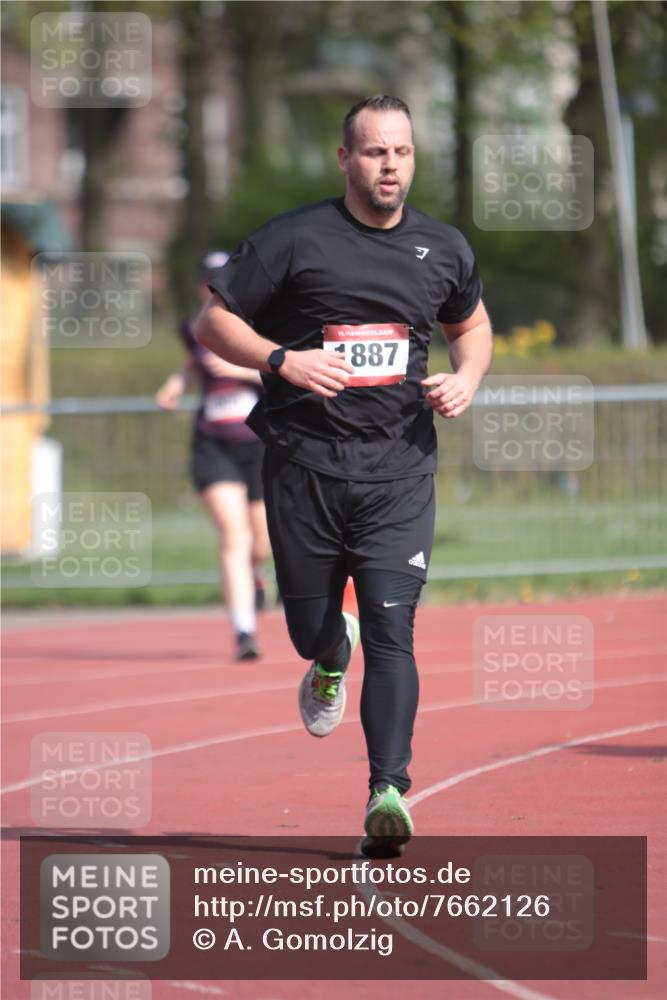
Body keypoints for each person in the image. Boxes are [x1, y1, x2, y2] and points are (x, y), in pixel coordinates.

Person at [195, 96, 493, 853]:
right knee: (306, 629)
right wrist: (280, 358)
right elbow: (213, 322)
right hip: (304, 468)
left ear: (412, 158)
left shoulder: (443, 248)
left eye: (400, 151)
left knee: (395, 627)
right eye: (372, 152)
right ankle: (330, 653)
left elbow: (473, 325)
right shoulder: (295, 239)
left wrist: (468, 378)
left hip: (398, 472)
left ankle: (386, 790)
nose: (388, 164)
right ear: (344, 159)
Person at [156, 252, 270, 661]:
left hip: (258, 444)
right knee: (233, 535)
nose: (214, 288)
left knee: (261, 542)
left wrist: (238, 367)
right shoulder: (194, 327)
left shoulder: (261, 324)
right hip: (213, 442)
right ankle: (244, 631)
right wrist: (175, 384)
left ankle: (256, 575)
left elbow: (282, 369)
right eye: (208, 281)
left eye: (221, 280)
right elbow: (193, 364)